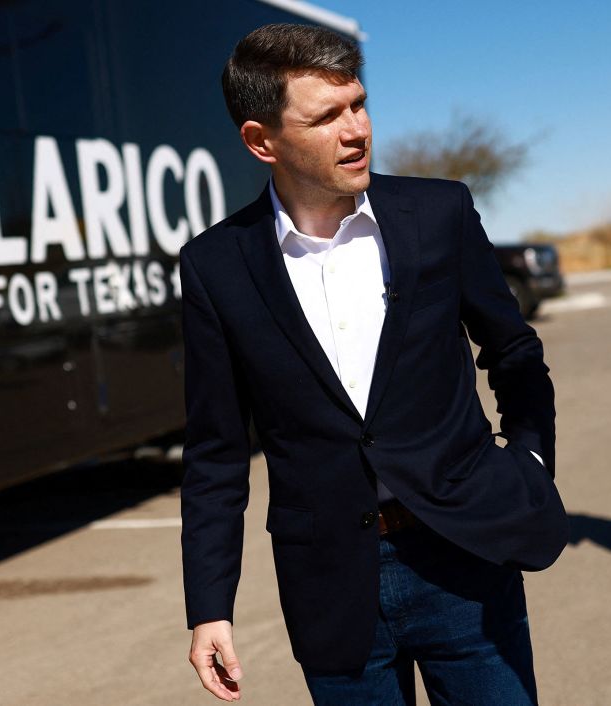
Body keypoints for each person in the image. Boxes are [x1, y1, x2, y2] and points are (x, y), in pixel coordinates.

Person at [179, 23, 569, 705]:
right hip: (330, 584)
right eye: (326, 116)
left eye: (357, 104)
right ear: (260, 140)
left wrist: (529, 463)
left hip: (466, 558)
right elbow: (215, 452)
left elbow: (513, 353)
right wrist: (208, 606)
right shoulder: (215, 265)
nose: (354, 128)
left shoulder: (437, 212)